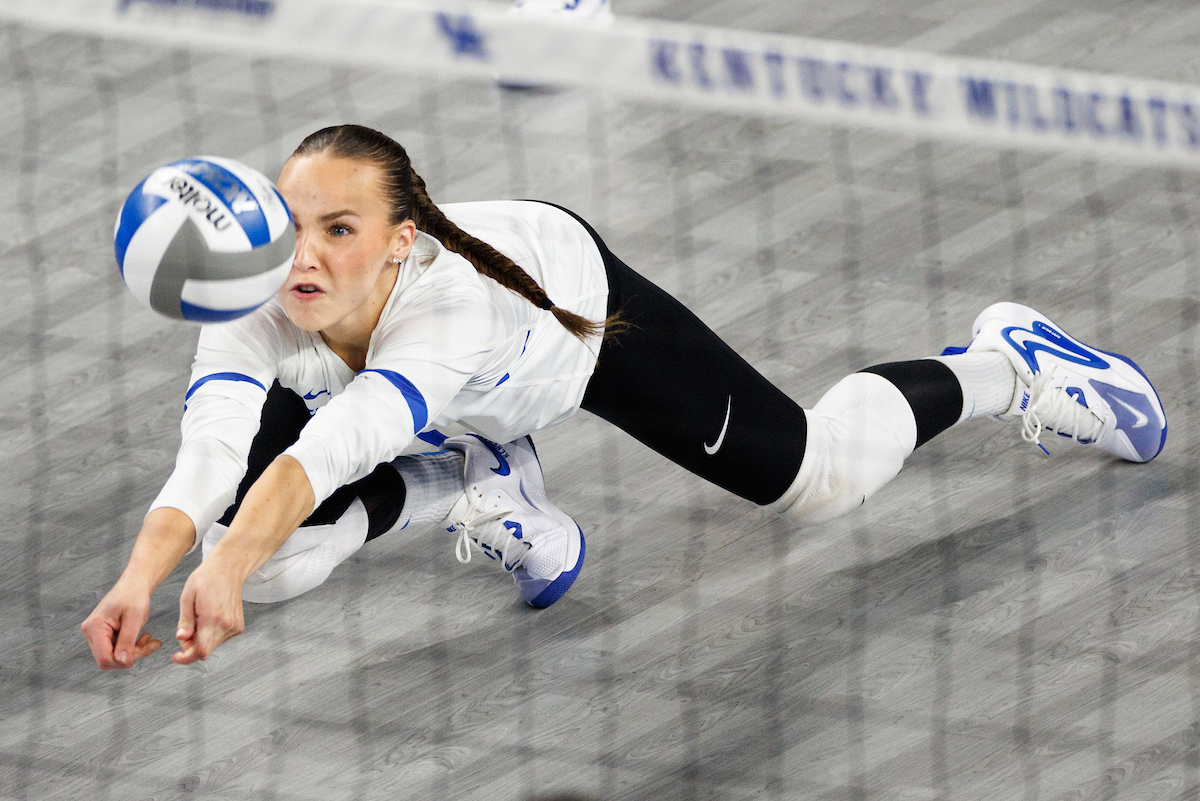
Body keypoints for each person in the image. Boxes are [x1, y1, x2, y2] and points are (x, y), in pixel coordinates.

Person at [80, 124, 1167, 670]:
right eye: (293, 220)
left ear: (399, 240)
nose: (306, 257)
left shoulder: (450, 308)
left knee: (816, 478)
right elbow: (216, 444)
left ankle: (1010, 364)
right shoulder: (258, 288)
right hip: (423, 400)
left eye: (340, 231)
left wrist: (212, 564)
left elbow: (322, 453)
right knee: (270, 569)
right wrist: (146, 574)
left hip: (569, 332)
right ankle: (467, 478)